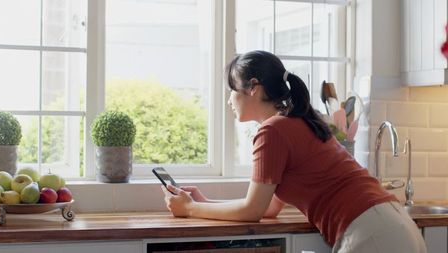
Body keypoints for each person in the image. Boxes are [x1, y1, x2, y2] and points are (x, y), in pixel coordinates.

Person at [161, 50, 427, 253]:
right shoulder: (299, 120)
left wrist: (191, 210)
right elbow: (268, 208)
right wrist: (202, 203)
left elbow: (253, 210)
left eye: (232, 90)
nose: (229, 99)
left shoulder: (273, 131)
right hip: (393, 225)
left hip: (373, 234)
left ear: (253, 87)